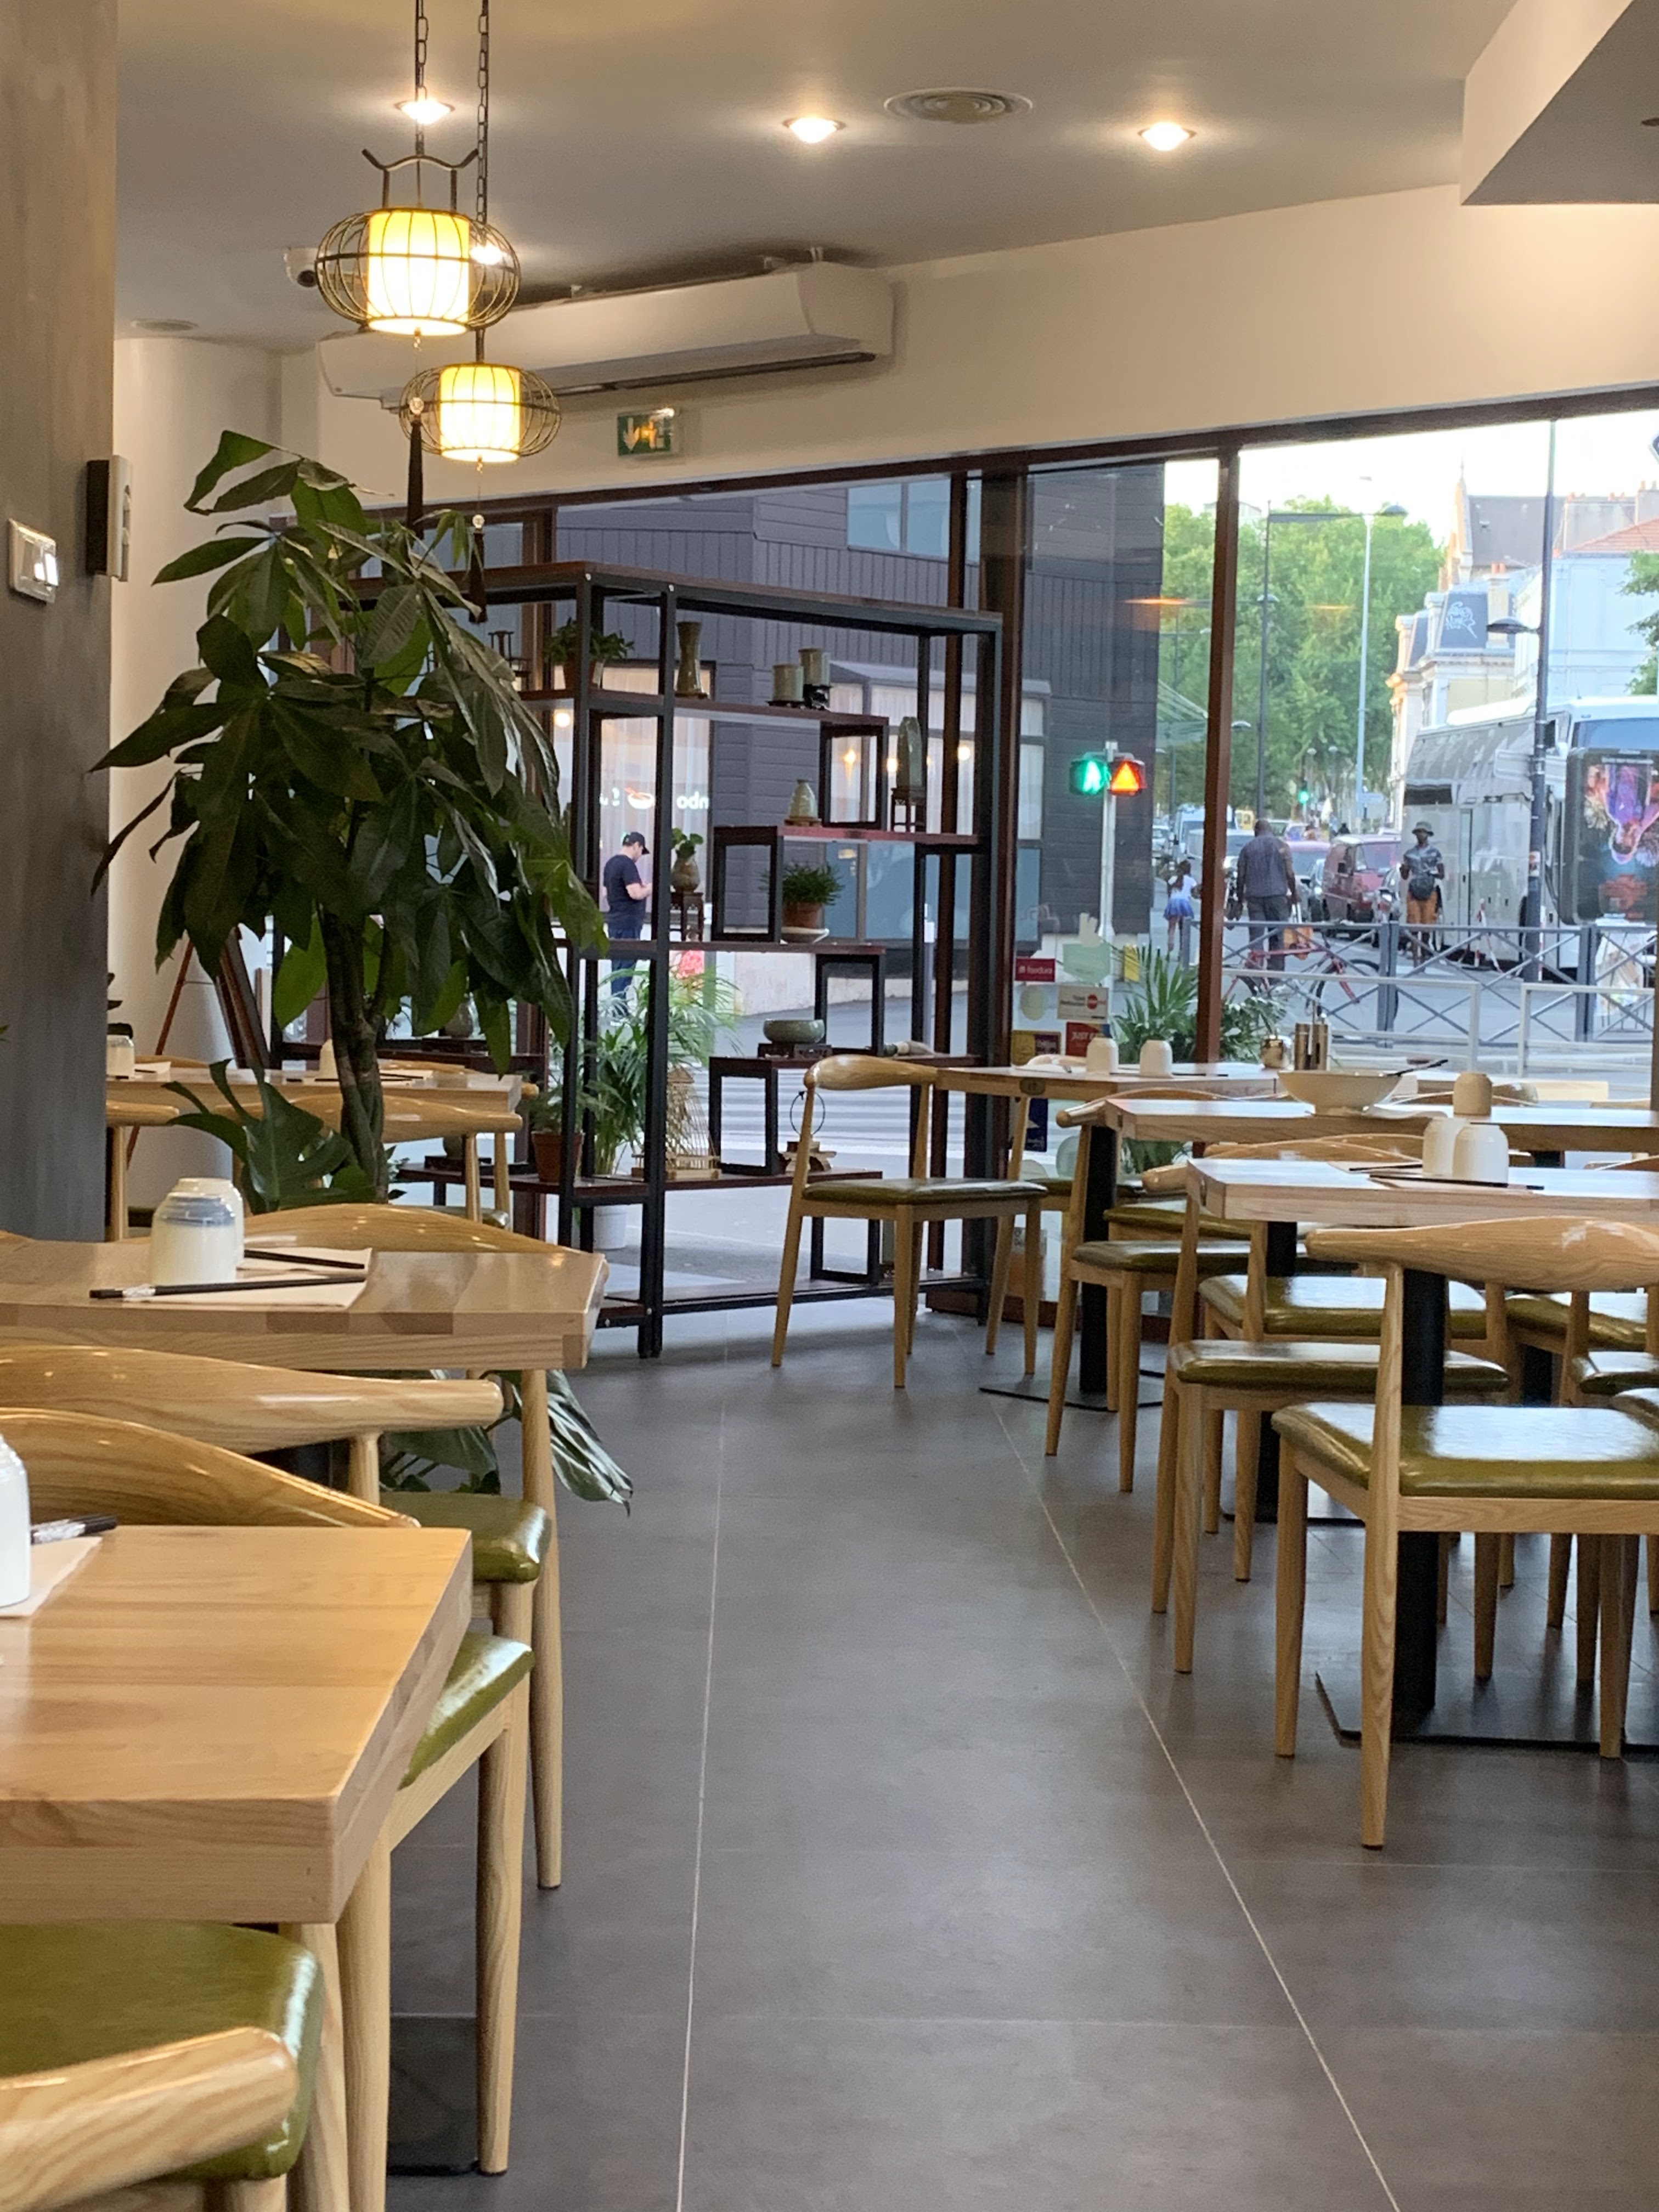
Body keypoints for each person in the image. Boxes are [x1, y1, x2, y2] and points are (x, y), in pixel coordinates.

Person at [1234, 819, 1298, 973]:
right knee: (1277, 938)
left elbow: (1241, 877)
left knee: (1256, 938)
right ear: (1271, 831)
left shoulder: (1247, 849)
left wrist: (1240, 900)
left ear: (1256, 831)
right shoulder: (1282, 847)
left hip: (1255, 899)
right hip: (1278, 898)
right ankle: (1275, 976)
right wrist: (1294, 893)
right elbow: (1290, 874)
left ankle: (1255, 975)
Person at [602, 830, 650, 997]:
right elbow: (635, 894)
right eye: (641, 851)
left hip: (614, 921)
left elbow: (605, 892)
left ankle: (617, 1005)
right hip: (628, 923)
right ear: (636, 846)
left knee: (617, 967)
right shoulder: (627, 865)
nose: (640, 856)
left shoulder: (610, 864)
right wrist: (650, 888)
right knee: (626, 968)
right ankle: (619, 1008)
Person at [1399, 822, 1444, 960]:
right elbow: (1405, 876)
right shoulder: (1410, 854)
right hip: (1414, 891)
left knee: (1427, 927)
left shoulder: (1435, 853)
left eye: (1423, 832)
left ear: (1428, 835)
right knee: (1414, 926)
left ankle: (1424, 956)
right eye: (1418, 832)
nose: (1421, 835)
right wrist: (1403, 870)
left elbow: (1442, 874)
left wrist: (1431, 874)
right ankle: (1415, 957)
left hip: (1430, 891)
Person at [1164, 855, 1196, 957]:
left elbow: (1169, 892)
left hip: (1173, 902)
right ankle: (1181, 951)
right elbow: (1195, 893)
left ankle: (1170, 946)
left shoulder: (1173, 879)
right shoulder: (1191, 880)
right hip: (1184, 903)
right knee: (1183, 928)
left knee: (1172, 926)